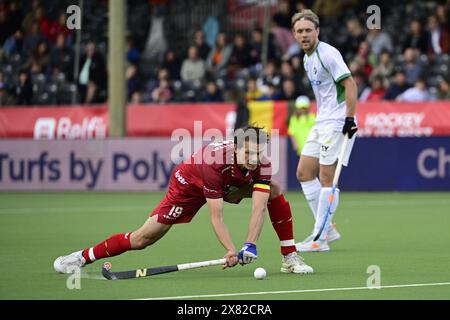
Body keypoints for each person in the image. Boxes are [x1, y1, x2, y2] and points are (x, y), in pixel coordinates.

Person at [54, 126, 313, 274]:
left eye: (258, 153)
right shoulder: (214, 161)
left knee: (274, 192)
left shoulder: (261, 164)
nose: (254, 158)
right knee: (142, 239)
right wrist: (231, 249)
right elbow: (216, 215)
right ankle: (81, 257)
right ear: (236, 148)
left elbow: (258, 208)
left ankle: (289, 257)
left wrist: (250, 245)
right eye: (248, 152)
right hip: (189, 186)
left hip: (231, 183)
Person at [291, 10, 358, 252]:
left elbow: (350, 83)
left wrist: (349, 118)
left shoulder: (328, 54)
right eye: (300, 31)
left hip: (338, 121)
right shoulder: (307, 59)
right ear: (294, 35)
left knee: (327, 179)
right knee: (303, 172)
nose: (304, 35)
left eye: (308, 30)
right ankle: (327, 228)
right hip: (321, 121)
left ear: (317, 31)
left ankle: (319, 238)